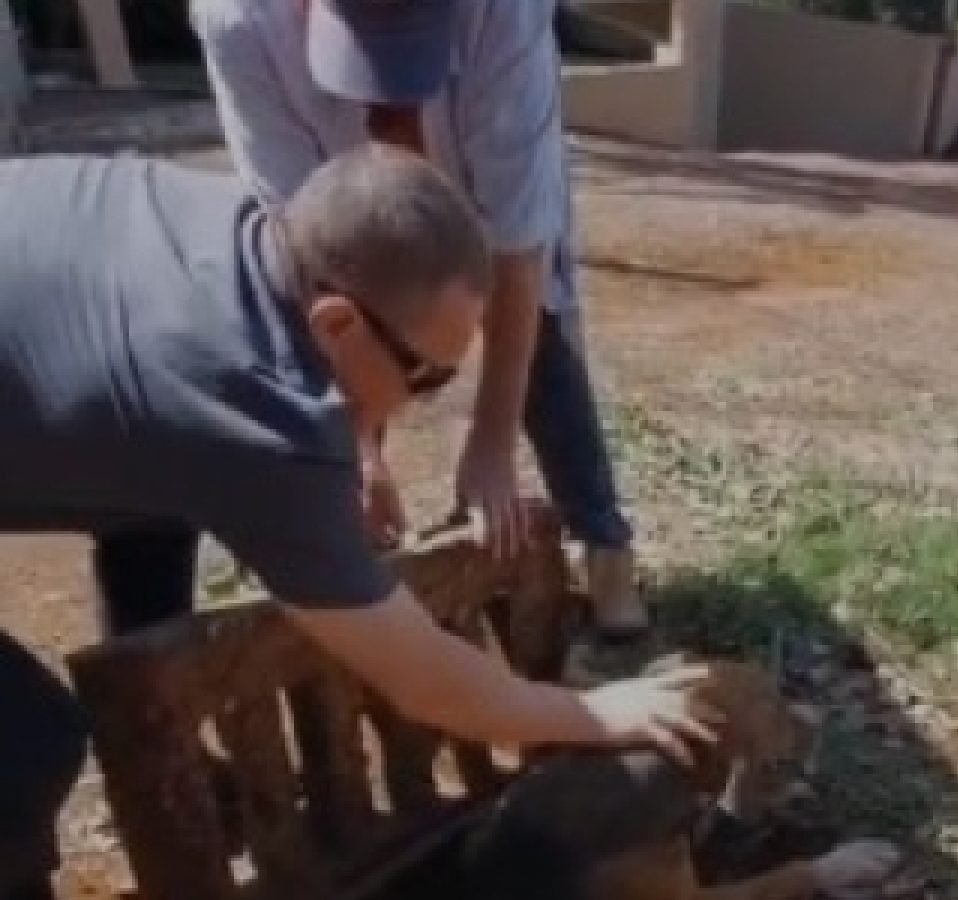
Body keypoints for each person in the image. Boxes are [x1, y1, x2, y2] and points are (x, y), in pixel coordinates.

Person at [0, 148, 718, 900]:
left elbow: (159, 405)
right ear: (337, 322)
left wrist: (345, 452)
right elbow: (428, 684)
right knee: (17, 747)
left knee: (157, 496)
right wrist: (592, 713)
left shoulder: (235, 230)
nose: (421, 401)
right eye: (427, 376)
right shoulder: (251, 414)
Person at [191, 0, 650, 642]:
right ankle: (338, 544)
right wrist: (358, 447)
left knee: (542, 323)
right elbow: (305, 265)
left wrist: (491, 447)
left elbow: (518, 250)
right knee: (330, 322)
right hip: (337, 198)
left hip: (475, 168)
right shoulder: (239, 21)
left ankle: (604, 543)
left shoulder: (508, 15)